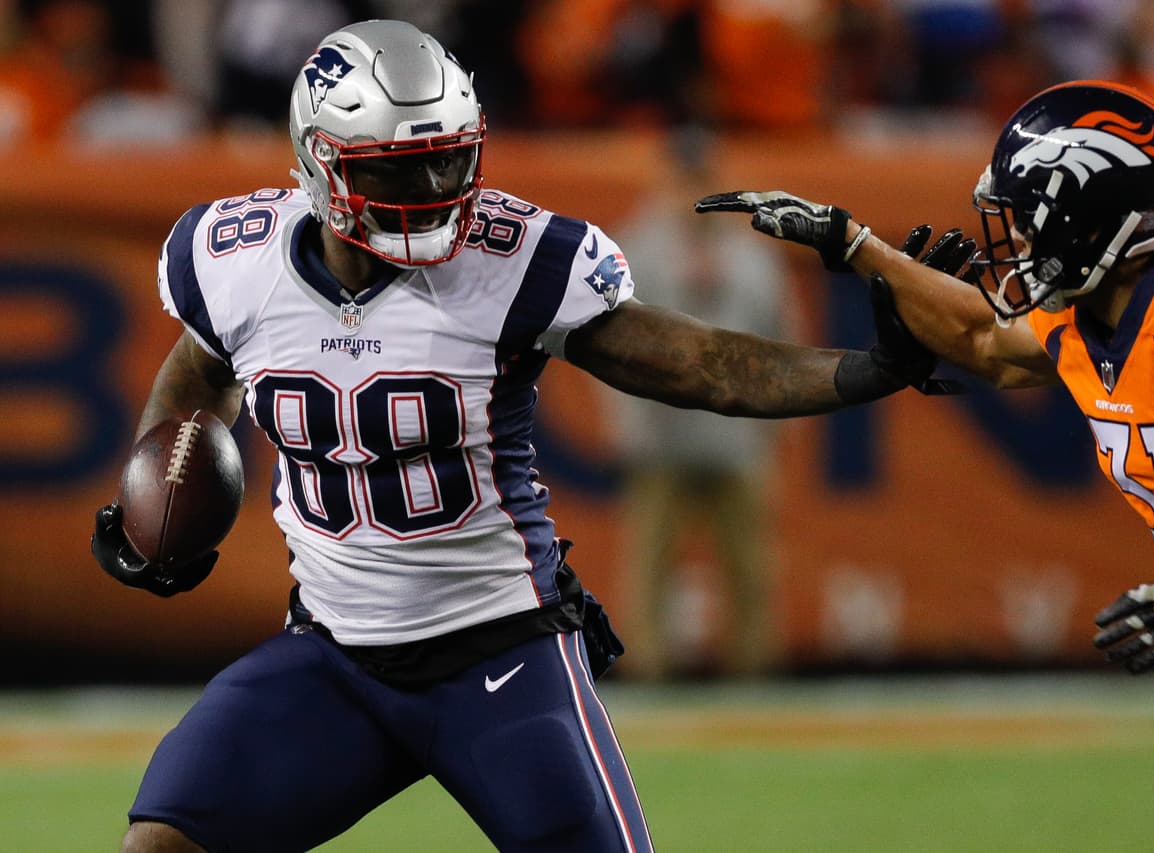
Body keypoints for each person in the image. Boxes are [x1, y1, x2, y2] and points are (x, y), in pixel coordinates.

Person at [88, 20, 960, 853]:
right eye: (404, 170)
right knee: (164, 837)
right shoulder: (233, 257)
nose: (435, 192)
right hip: (332, 656)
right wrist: (155, 493)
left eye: (448, 162)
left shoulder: (513, 258)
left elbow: (702, 364)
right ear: (323, 163)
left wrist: (869, 369)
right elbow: (200, 372)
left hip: (499, 652)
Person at [697, 80, 1154, 852]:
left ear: (1089, 214)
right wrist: (856, 245)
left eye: (1028, 218)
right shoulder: (1092, 314)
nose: (1015, 242)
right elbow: (979, 340)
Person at [612, 128, 792, 680]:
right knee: (651, 561)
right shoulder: (634, 247)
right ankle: (648, 669)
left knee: (750, 564)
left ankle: (754, 671)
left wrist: (777, 417)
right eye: (683, 177)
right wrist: (627, 419)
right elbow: (607, 340)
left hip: (735, 431)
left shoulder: (750, 256)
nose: (692, 189)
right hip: (663, 430)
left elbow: (782, 336)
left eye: (701, 177)